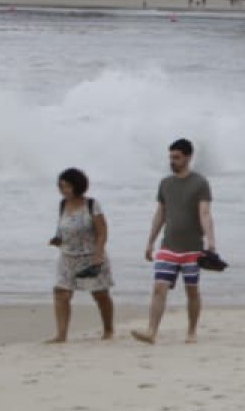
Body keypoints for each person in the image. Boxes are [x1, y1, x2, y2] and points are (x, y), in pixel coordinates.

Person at [133, 138, 215, 344]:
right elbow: (160, 213)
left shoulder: (200, 183)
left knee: (192, 291)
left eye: (177, 157)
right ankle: (151, 331)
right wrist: (150, 241)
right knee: (159, 287)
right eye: (171, 157)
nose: (173, 161)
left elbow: (205, 213)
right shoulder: (165, 183)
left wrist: (211, 242)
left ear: (188, 157)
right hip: (168, 245)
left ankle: (192, 331)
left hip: (192, 248)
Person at [49, 167, 113, 342]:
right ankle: (61, 335)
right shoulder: (63, 205)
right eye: (61, 187)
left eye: (67, 186)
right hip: (67, 257)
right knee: (61, 293)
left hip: (90, 256)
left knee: (100, 294)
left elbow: (102, 232)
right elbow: (63, 229)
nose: (64, 190)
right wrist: (57, 239)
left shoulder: (92, 204)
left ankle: (108, 330)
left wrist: (98, 254)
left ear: (78, 186)